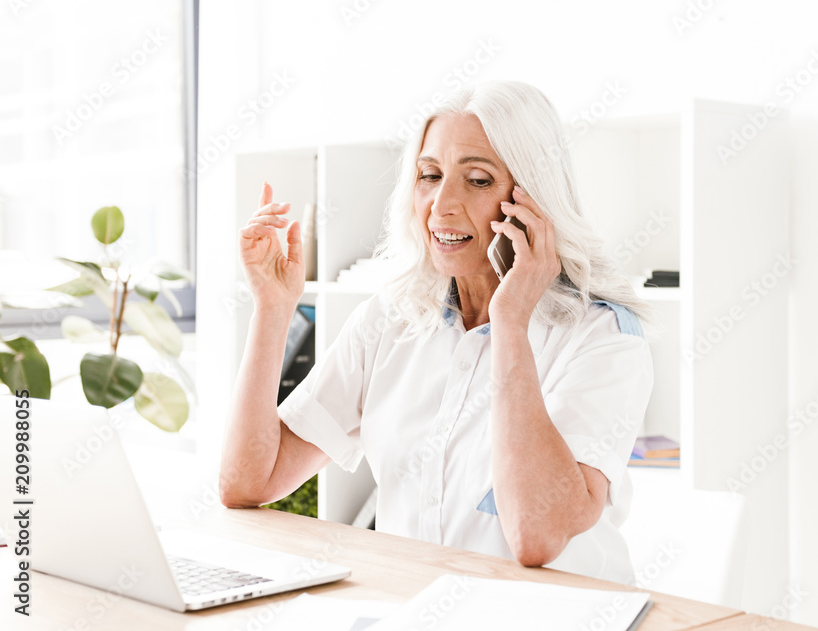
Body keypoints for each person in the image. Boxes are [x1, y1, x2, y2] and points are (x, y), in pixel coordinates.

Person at [219, 81, 655, 584]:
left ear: (532, 200)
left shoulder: (604, 338)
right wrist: (273, 309)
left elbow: (537, 536)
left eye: (476, 180)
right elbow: (248, 480)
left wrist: (509, 322)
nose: (441, 205)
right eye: (429, 176)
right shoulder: (391, 319)